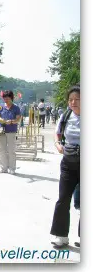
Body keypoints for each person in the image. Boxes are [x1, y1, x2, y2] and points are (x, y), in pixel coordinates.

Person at [50, 85, 80, 247]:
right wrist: (57, 143)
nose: (73, 102)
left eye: (77, 99)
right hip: (68, 162)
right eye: (70, 100)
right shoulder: (66, 115)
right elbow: (57, 132)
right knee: (63, 199)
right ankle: (60, 235)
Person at [0, 90, 21, 175]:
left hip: (11, 131)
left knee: (11, 150)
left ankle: (12, 168)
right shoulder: (1, 106)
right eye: (4, 98)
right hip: (1, 131)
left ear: (11, 98)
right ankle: (3, 168)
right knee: (2, 150)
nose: (6, 100)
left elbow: (18, 118)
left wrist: (12, 121)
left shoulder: (16, 107)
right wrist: (2, 120)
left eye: (7, 98)